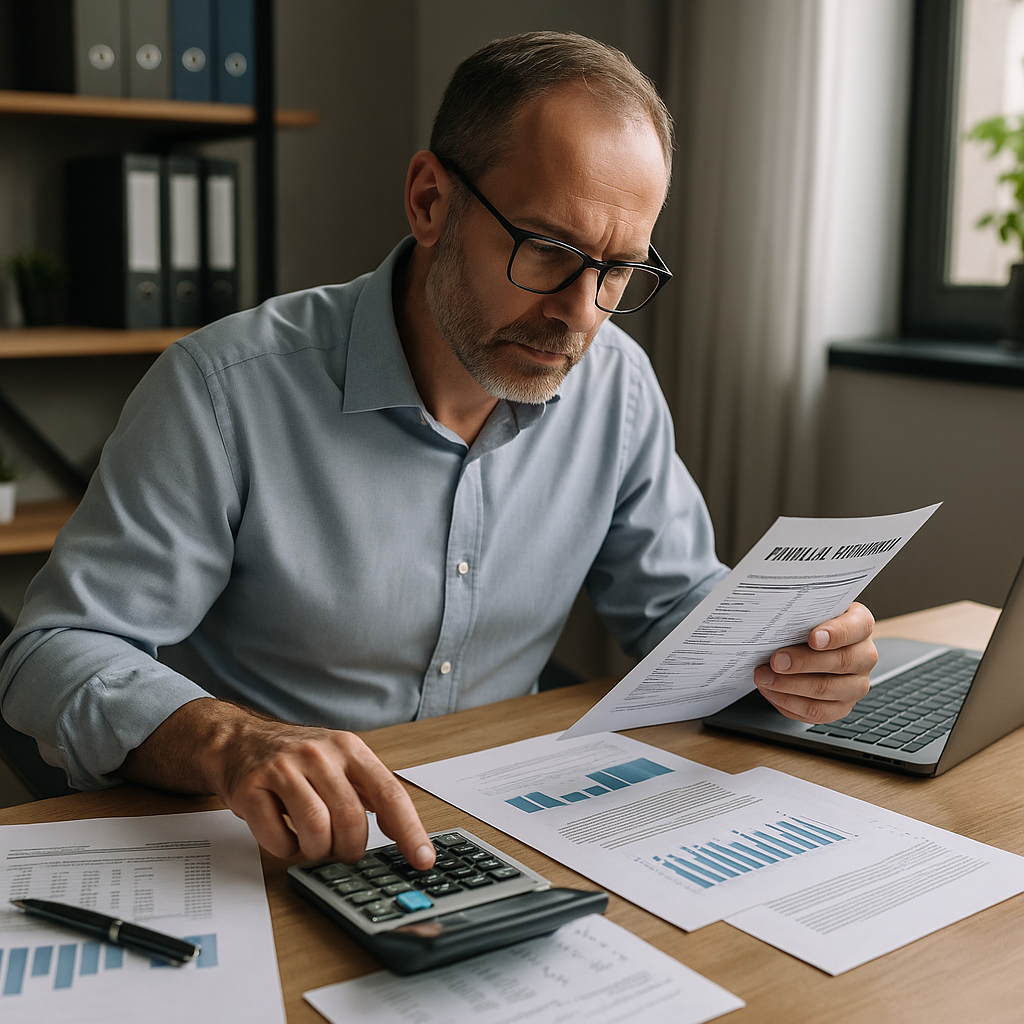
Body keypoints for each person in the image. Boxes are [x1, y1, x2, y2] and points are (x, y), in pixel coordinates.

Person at [0, 33, 876, 872]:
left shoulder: (617, 386)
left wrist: (790, 651)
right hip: (267, 842)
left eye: (619, 270)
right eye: (547, 249)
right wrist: (231, 741)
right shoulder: (223, 389)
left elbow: (675, 603)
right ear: (429, 201)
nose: (580, 312)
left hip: (501, 829)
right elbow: (52, 651)